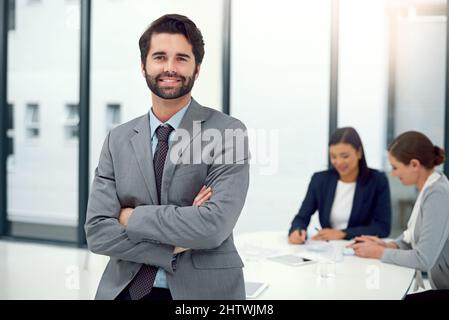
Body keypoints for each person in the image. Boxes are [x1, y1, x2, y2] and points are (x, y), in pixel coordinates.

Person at [85, 14, 250, 300]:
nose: (170, 68)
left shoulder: (228, 132)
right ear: (143, 66)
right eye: (160, 57)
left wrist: (130, 216)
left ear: (197, 69)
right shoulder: (118, 139)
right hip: (125, 289)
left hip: (202, 293)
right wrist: (175, 241)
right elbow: (98, 232)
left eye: (181, 58)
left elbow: (212, 227)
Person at [349, 131, 449, 290]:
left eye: (395, 167)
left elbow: (423, 259)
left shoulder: (437, 194)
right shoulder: (430, 187)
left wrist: (379, 252)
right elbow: (411, 240)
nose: (392, 173)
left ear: (415, 165)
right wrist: (386, 245)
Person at [288, 127, 391, 244]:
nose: (339, 162)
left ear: (359, 152)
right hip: (327, 250)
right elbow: (301, 217)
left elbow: (383, 228)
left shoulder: (377, 180)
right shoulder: (320, 180)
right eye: (333, 156)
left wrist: (343, 233)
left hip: (361, 250)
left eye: (345, 156)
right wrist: (297, 230)